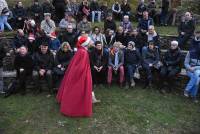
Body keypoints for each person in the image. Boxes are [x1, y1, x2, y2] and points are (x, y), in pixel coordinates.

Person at [56, 35, 99, 117]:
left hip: (81, 72)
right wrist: (84, 76)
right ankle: (76, 107)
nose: (91, 42)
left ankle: (90, 99)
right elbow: (81, 66)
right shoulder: (83, 52)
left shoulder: (81, 50)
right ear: (86, 43)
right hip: (82, 74)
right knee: (78, 91)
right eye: (90, 41)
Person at [184, 31, 200, 103]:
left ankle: (187, 90)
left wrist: (195, 68)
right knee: (197, 78)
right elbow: (186, 63)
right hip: (189, 69)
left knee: (196, 76)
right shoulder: (190, 52)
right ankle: (193, 96)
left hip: (198, 69)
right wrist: (189, 68)